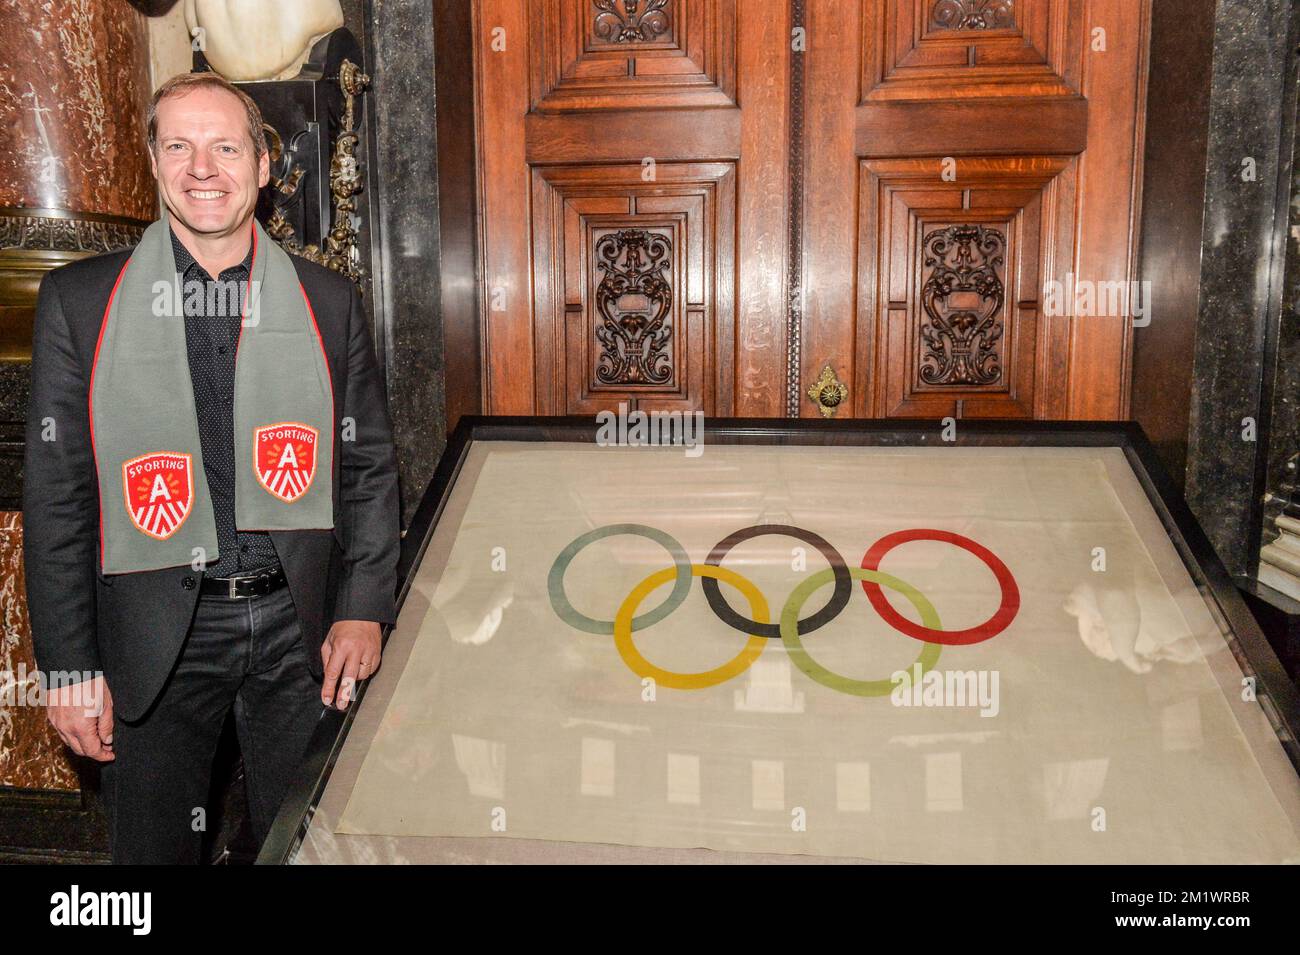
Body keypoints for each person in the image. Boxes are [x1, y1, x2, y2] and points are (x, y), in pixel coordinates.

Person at [21, 71, 400, 864]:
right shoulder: (80, 303)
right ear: (155, 164)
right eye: (180, 147)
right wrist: (66, 667)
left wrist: (363, 604)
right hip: (154, 632)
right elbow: (58, 501)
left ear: (263, 167)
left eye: (226, 147)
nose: (204, 168)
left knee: (302, 844)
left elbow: (365, 464)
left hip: (300, 632)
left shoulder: (329, 302)